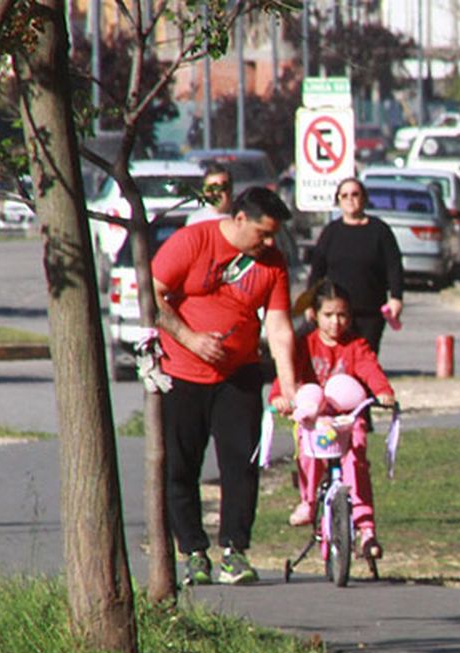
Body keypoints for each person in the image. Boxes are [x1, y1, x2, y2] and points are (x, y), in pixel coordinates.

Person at [151, 186, 299, 586]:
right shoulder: (193, 241)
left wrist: (289, 387)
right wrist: (190, 338)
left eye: (274, 236)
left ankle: (235, 551)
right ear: (239, 220)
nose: (269, 243)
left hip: (239, 375)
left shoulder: (273, 263)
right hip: (182, 373)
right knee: (181, 466)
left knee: (241, 465)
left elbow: (279, 326)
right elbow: (153, 293)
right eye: (263, 234)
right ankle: (194, 553)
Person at [268, 282, 396, 558]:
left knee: (357, 458)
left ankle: (365, 527)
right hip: (315, 421)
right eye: (328, 315)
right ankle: (309, 501)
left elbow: (369, 368)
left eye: (342, 315)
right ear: (314, 315)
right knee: (307, 452)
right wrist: (279, 396)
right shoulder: (305, 345)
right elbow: (287, 375)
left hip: (347, 422)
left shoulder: (356, 345)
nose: (336, 322)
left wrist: (383, 391)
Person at [307, 176, 404, 355]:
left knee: (365, 358)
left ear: (364, 198)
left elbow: (394, 266)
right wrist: (309, 303)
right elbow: (317, 270)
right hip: (337, 312)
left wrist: (396, 297)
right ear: (338, 201)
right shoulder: (331, 232)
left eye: (355, 194)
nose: (350, 199)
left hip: (370, 311)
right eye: (344, 196)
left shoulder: (379, 230)